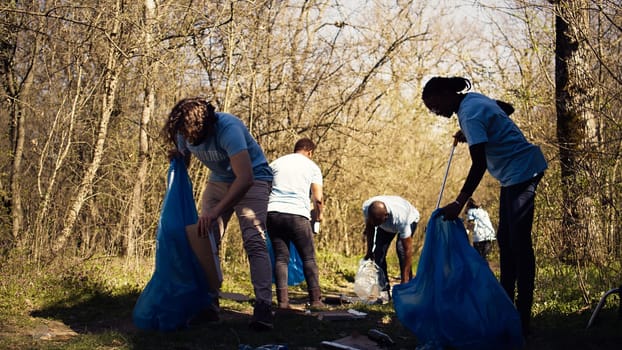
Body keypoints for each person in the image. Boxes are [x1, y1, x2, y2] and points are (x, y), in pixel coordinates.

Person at [422, 76, 548, 336]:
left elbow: (478, 164)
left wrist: (459, 202)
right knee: (505, 239)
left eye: (434, 105)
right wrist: (472, 133)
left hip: (522, 171)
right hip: (513, 175)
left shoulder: (469, 113)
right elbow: (506, 109)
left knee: (519, 243)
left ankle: (522, 318)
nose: (436, 112)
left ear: (446, 93)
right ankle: (507, 307)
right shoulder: (473, 101)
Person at [162, 97, 274, 331]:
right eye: (184, 134)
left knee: (254, 239)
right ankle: (208, 305)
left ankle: (264, 306)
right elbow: (187, 155)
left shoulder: (228, 129)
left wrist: (215, 212)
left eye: (191, 133)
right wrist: (179, 157)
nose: (187, 137)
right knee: (204, 237)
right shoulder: (184, 130)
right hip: (219, 180)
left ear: (204, 126)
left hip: (253, 178)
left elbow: (245, 178)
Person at [267, 138, 325, 310]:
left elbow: (265, 187)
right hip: (297, 215)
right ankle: (315, 300)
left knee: (281, 258)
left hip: (273, 213)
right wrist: (319, 215)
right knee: (308, 257)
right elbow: (318, 197)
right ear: (310, 152)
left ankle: (283, 302)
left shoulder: (276, 163)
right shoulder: (312, 167)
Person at [362, 195, 420, 298]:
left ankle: (407, 287)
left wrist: (404, 280)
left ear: (386, 216)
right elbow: (370, 227)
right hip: (385, 225)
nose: (375, 225)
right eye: (374, 222)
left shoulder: (401, 218)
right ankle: (384, 290)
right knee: (378, 252)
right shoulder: (367, 208)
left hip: (410, 219)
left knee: (401, 249)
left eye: (377, 223)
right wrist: (369, 251)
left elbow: (407, 250)